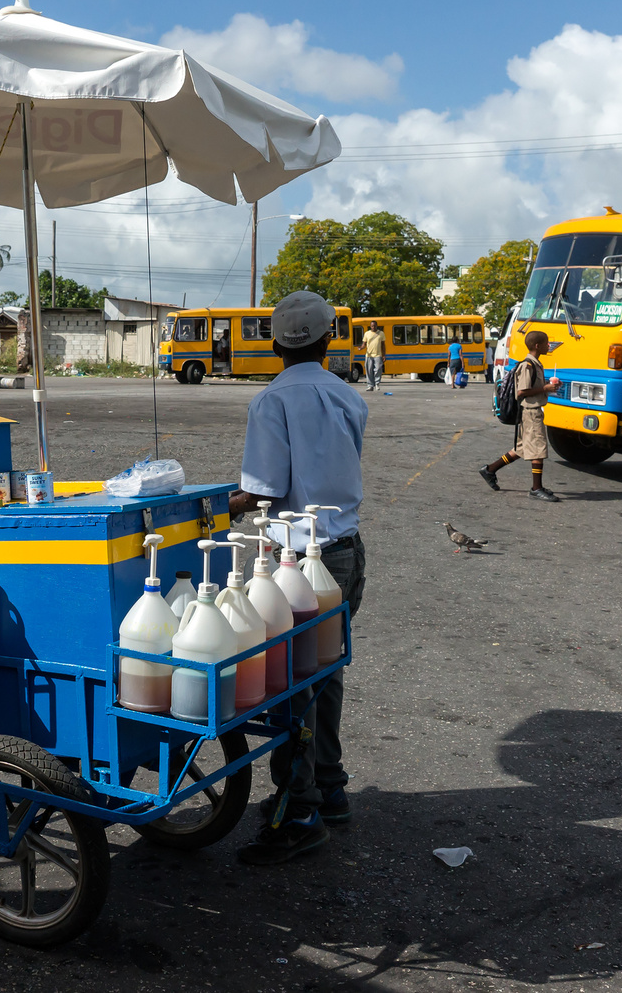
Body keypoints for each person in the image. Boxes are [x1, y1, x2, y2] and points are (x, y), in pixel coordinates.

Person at [229, 290, 368, 865]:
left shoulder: (273, 400)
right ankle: (329, 789)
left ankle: (298, 812)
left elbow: (261, 489)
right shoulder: (345, 394)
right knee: (323, 674)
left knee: (289, 687)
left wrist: (220, 504)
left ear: (272, 341)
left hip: (298, 562)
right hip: (347, 550)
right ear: (329, 338)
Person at [478, 330, 563, 502]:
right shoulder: (527, 366)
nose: (549, 345)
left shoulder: (536, 364)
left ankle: (489, 470)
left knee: (521, 449)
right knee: (538, 449)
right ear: (537, 346)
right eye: (547, 343)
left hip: (532, 410)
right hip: (530, 412)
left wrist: (549, 386)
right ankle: (536, 488)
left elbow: (532, 387)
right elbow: (522, 391)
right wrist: (544, 389)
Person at [361, 321, 385, 391]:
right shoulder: (367, 333)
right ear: (370, 326)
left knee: (378, 369)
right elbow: (364, 343)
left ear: (377, 326)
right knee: (369, 370)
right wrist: (361, 347)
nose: (373, 327)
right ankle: (370, 385)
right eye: (372, 326)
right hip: (369, 355)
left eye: (374, 326)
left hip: (378, 355)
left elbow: (383, 345)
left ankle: (377, 384)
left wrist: (384, 355)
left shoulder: (381, 334)